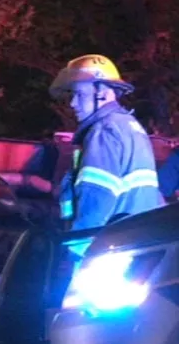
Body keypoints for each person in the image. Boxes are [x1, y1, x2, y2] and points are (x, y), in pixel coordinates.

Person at [48, 54, 163, 237]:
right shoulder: (129, 126)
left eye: (80, 94)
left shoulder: (103, 132)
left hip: (107, 245)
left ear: (104, 92)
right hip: (135, 241)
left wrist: (77, 249)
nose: (72, 103)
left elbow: (95, 199)